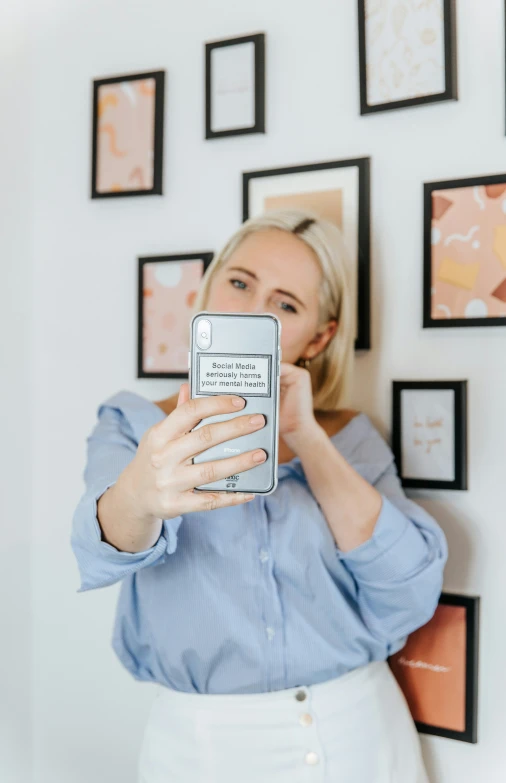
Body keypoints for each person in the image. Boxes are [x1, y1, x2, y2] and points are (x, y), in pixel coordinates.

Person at [71, 209, 447, 783]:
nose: (251, 309)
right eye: (240, 282)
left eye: (285, 304)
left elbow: (410, 592)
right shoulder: (135, 426)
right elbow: (100, 548)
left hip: (362, 731)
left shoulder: (349, 438)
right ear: (207, 288)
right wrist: (142, 493)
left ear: (317, 337)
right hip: (206, 749)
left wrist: (305, 437)